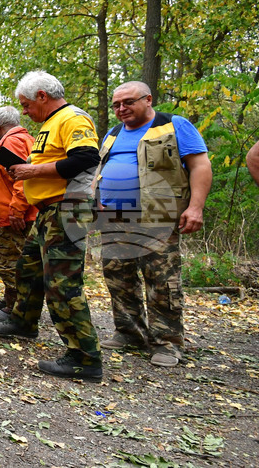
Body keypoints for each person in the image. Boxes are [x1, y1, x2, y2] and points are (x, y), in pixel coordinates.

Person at [0, 70, 103, 381]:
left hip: (68, 209)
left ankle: (84, 356)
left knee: (62, 284)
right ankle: (23, 322)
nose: (24, 112)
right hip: (48, 211)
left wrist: (31, 172)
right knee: (28, 267)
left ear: (43, 96)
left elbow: (85, 160)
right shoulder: (50, 124)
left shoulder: (72, 119)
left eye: (26, 105)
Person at [96, 81, 211, 367]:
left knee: (162, 280)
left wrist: (195, 207)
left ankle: (167, 343)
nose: (121, 109)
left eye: (128, 102)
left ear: (148, 99)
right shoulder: (112, 134)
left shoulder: (173, 126)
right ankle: (129, 332)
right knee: (118, 277)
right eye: (116, 105)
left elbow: (200, 165)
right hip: (115, 218)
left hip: (158, 214)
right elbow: (101, 171)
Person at [0, 106, 37, 322]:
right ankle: (10, 299)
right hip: (13, 213)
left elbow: (22, 177)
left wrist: (16, 210)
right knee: (13, 260)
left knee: (8, 263)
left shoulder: (11, 142)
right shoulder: (26, 139)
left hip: (13, 216)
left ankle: (17, 310)